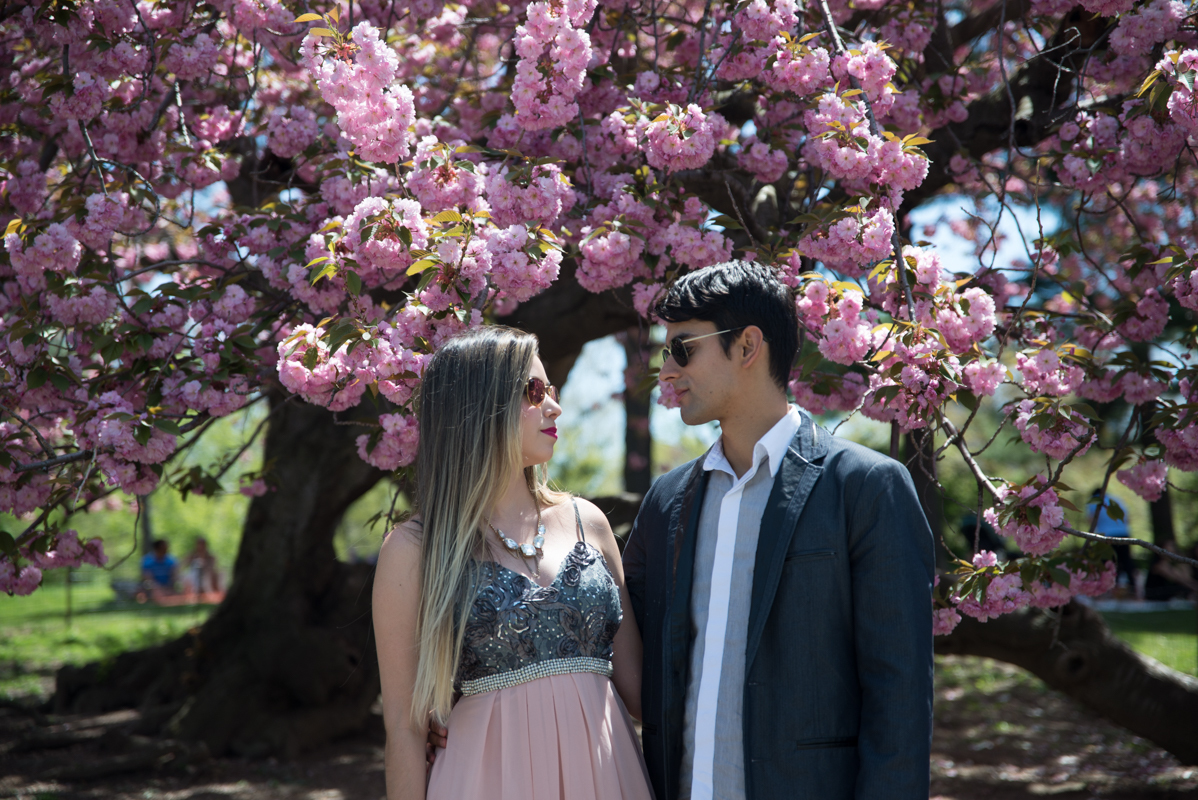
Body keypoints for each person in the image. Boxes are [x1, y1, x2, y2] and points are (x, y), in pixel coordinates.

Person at [622, 261, 935, 800]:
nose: (666, 372)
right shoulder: (665, 501)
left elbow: (900, 697)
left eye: (682, 349)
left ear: (747, 346)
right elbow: (624, 655)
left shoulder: (867, 488)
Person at [373, 326, 653, 800]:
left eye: (552, 390)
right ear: (478, 406)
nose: (554, 406)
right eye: (534, 391)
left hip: (607, 776)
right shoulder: (413, 549)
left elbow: (643, 692)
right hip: (484, 781)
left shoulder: (590, 522)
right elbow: (403, 729)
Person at [1086, 490, 1138, 597]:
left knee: (1107, 564)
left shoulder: (1094, 502)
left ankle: (1107, 591)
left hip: (1106, 536)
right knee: (1126, 562)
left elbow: (1090, 521)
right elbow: (1128, 518)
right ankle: (1135, 591)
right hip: (1124, 535)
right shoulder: (1117, 500)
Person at [182, 537, 224, 603]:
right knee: (188, 575)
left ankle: (213, 594)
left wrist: (205, 565)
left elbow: (214, 568)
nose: (201, 546)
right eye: (199, 544)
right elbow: (182, 565)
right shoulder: (192, 555)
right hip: (195, 578)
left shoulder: (210, 557)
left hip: (207, 577)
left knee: (219, 573)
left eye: (202, 544)